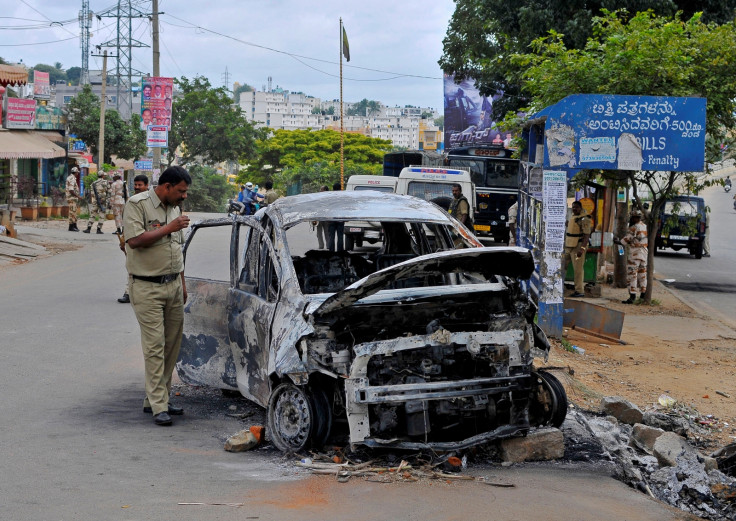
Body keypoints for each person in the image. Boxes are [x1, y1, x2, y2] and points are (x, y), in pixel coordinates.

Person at [123, 166, 191, 426]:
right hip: (146, 286)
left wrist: (182, 284)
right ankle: (158, 405)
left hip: (173, 284)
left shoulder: (175, 208)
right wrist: (169, 227)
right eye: (181, 191)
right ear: (167, 186)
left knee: (172, 345)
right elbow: (134, 241)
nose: (184, 196)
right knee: (155, 347)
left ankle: (156, 397)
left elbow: (178, 250)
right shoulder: (137, 204)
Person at [118, 174, 149, 304]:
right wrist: (123, 240)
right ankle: (128, 292)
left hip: (147, 240)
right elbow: (128, 222)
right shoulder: (131, 201)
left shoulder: (151, 201)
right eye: (135, 185)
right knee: (131, 266)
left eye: (140, 185)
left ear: (146, 186)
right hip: (132, 239)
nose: (137, 187)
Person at [615, 208, 648, 304]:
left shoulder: (633, 227)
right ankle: (643, 294)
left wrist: (617, 241)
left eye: (632, 217)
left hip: (635, 254)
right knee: (642, 275)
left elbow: (625, 240)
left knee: (632, 275)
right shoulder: (645, 226)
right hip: (644, 253)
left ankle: (632, 296)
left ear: (634, 218)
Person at [562, 200, 592, 298]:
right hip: (569, 245)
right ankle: (559, 286)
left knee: (578, 269)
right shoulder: (573, 217)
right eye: (573, 207)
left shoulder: (584, 219)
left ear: (580, 208)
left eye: (576, 207)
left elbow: (587, 235)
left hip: (578, 246)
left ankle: (579, 290)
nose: (574, 209)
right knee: (562, 265)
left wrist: (582, 248)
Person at [327, 182, 345, 252]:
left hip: (331, 220)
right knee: (340, 237)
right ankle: (340, 252)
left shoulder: (330, 197)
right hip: (340, 220)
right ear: (340, 188)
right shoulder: (342, 197)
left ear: (333, 189)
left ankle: (331, 252)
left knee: (331, 237)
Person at [65, 166, 80, 232]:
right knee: (72, 212)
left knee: (74, 212)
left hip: (72, 198)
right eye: (77, 172)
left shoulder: (71, 177)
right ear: (76, 172)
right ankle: (71, 226)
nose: (78, 173)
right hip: (72, 198)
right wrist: (78, 196)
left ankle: (74, 225)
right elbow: (71, 190)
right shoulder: (72, 179)